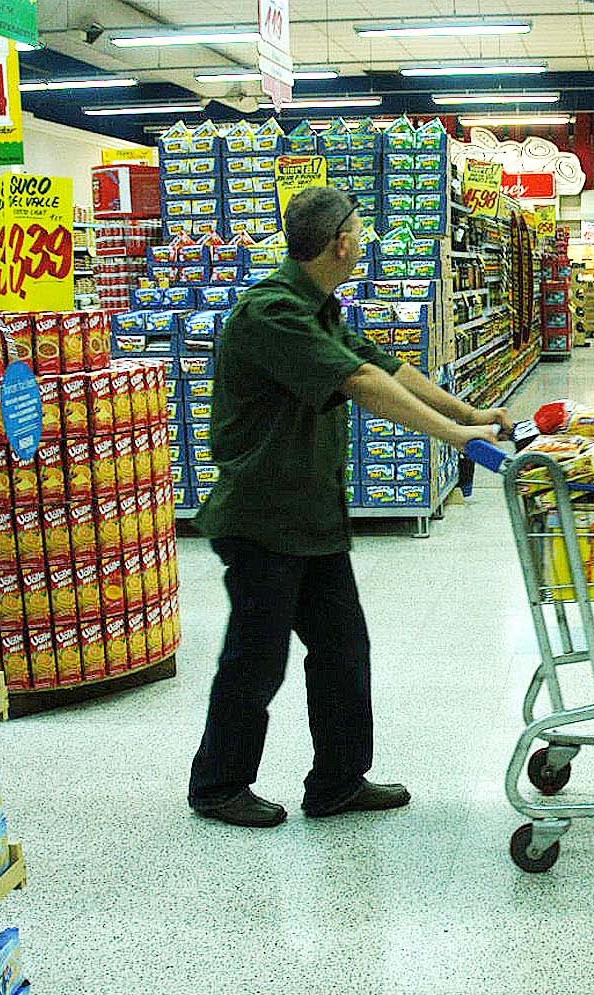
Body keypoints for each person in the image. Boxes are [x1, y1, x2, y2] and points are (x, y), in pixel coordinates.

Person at [189, 186, 511, 828]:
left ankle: (337, 781)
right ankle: (218, 784)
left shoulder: (320, 310)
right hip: (264, 518)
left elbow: (387, 368)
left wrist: (474, 415)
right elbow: (361, 384)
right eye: (359, 234)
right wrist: (457, 439)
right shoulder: (272, 314)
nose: (363, 243)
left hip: (312, 518)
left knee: (342, 650)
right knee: (256, 658)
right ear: (341, 242)